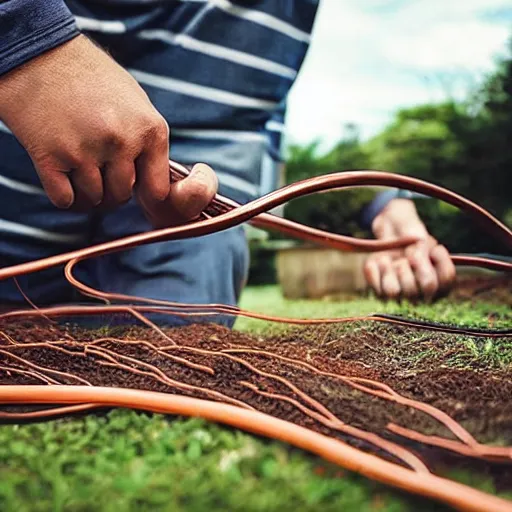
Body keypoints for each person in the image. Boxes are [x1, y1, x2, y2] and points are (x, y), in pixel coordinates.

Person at [0, 0, 455, 325]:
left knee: (180, 340)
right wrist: (25, 40)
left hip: (185, 227)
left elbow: (264, 120)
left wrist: (381, 205)